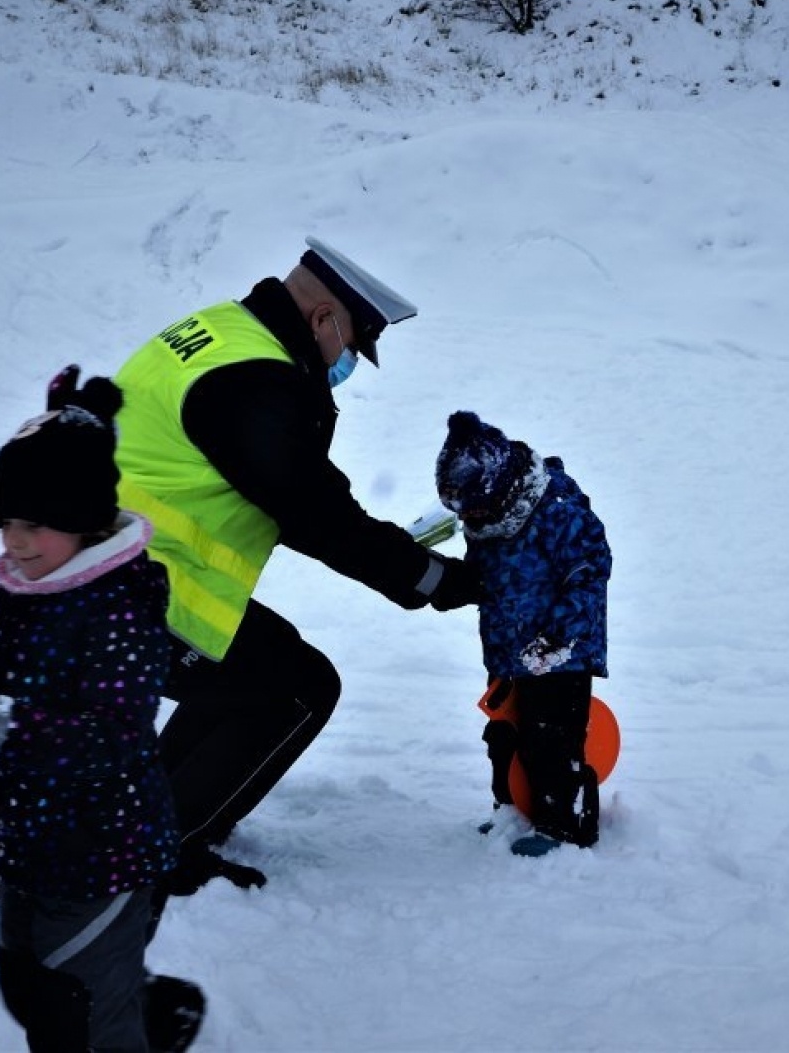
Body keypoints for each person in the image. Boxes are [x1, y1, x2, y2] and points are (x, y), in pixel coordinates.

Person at [113, 237, 480, 892]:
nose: (346, 366)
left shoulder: (223, 333)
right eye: (352, 348)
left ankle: (149, 820)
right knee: (298, 690)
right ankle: (157, 855)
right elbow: (317, 515)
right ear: (322, 319)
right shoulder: (255, 380)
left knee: (260, 665)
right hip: (127, 587)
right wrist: (436, 580)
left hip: (109, 568)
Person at [0, 366, 202, 1053]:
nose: (15, 542)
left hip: (105, 854)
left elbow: (111, 737)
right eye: (5, 525)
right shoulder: (24, 589)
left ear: (83, 521)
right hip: (30, 845)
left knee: (73, 1012)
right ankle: (151, 1011)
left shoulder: (121, 606)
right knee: (24, 982)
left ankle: (134, 1023)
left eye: (34, 525)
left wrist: (5, 725)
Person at [435, 410, 613, 858]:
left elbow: (589, 575)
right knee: (504, 737)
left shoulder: (558, 512)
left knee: (552, 740)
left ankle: (566, 826)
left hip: (560, 654)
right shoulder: (488, 519)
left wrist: (559, 637)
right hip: (507, 652)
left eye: (473, 506)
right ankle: (511, 810)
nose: (468, 517)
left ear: (502, 485)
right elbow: (485, 576)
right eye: (461, 510)